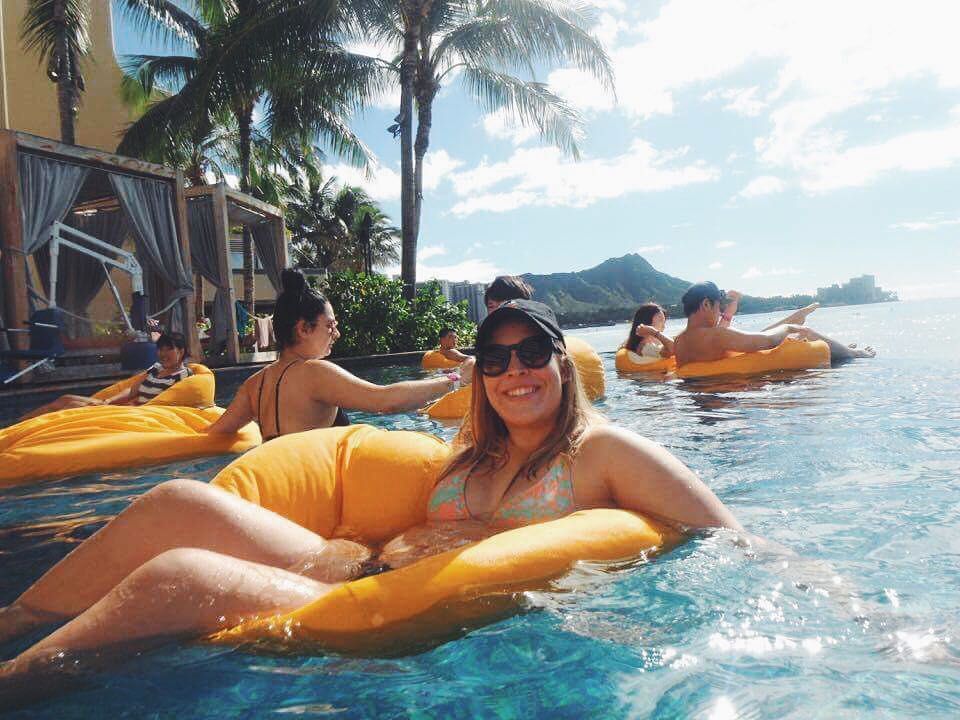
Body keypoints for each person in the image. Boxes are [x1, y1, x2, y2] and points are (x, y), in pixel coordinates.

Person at [0, 299, 740, 684]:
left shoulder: (602, 451)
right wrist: (358, 548)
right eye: (494, 358)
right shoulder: (474, 449)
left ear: (562, 364)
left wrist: (812, 590)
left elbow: (727, 534)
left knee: (180, 577)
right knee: (177, 504)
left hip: (395, 608)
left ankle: (14, 684)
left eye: (533, 352)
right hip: (355, 566)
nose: (514, 370)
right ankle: (14, 621)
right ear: (479, 374)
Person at [207, 269, 469, 441]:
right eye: (330, 326)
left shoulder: (254, 384)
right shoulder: (314, 373)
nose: (337, 333)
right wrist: (457, 379)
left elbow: (217, 432)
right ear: (304, 329)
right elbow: (386, 401)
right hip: (314, 494)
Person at [673, 281, 875, 366]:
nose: (719, 312)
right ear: (706, 304)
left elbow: (717, 341)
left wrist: (728, 313)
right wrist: (788, 327)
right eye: (718, 307)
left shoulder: (680, 341)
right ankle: (855, 354)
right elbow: (767, 341)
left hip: (704, 402)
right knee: (803, 332)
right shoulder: (714, 335)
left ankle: (842, 348)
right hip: (730, 400)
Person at [19, 333, 194, 420]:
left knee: (72, 407)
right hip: (124, 406)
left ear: (181, 351)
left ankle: (32, 430)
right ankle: (18, 426)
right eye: (160, 349)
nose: (163, 354)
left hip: (136, 414)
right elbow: (132, 390)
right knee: (65, 399)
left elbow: (176, 401)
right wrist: (109, 401)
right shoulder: (156, 368)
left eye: (168, 349)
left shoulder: (183, 376)